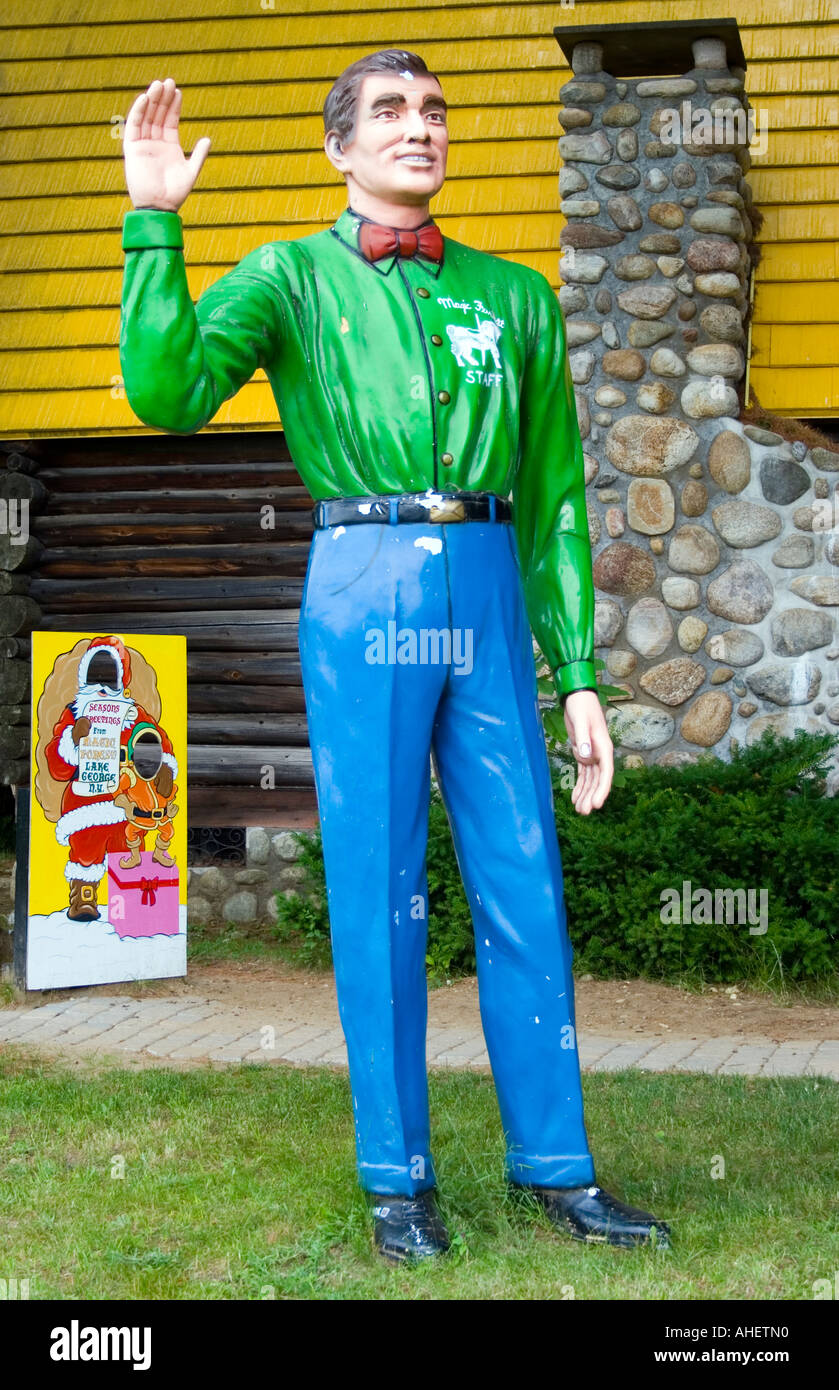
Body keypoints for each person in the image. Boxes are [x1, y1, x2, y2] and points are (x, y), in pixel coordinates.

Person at [118, 49, 671, 1262]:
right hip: (360, 577)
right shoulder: (287, 277)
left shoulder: (514, 296)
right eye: (387, 112)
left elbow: (558, 492)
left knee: (522, 875)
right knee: (376, 883)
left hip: (484, 580)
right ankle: (396, 1180)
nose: (415, 128)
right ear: (340, 146)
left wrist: (575, 668)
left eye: (430, 110)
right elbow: (165, 394)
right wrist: (154, 223)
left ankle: (559, 1168)